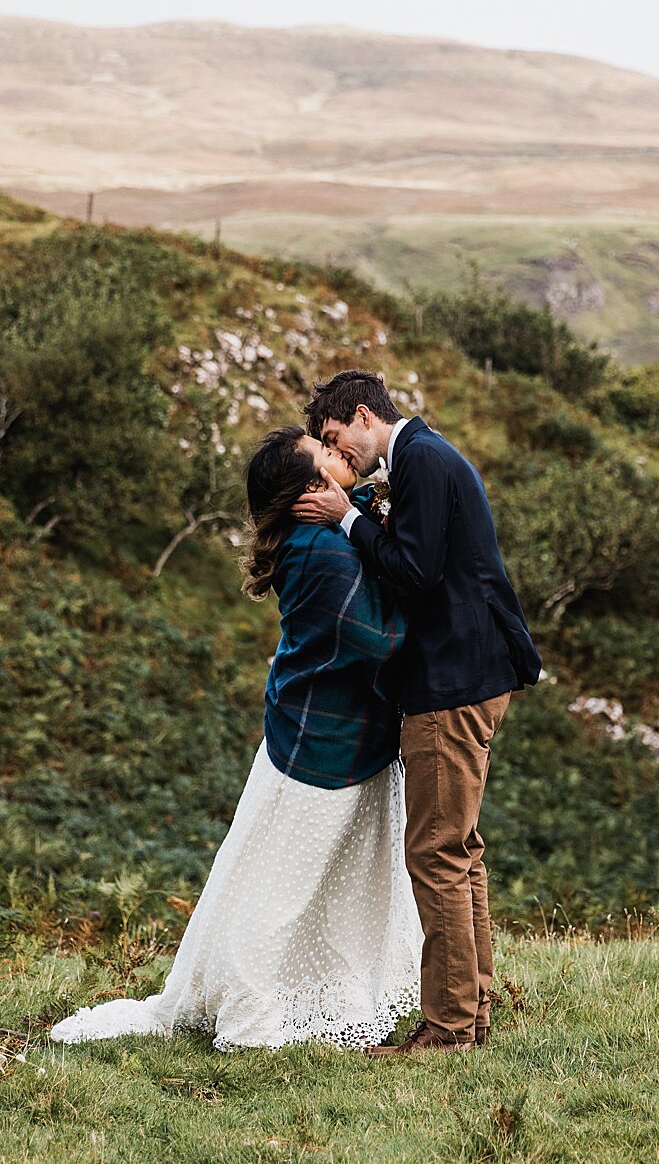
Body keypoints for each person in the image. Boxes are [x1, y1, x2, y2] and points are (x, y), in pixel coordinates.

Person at [50, 427, 421, 1051]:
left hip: (328, 735)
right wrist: (438, 596)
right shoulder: (324, 552)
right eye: (325, 455)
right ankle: (251, 1016)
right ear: (311, 490)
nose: (340, 457)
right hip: (325, 747)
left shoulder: (324, 537)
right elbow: (381, 639)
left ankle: (328, 998)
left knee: (320, 884)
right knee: (283, 891)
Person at [293, 370, 541, 1056]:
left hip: (451, 683)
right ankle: (472, 1011)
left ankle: (450, 1028)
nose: (333, 449)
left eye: (334, 436)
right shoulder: (424, 458)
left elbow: (417, 572)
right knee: (460, 853)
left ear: (364, 415)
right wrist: (370, 514)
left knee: (435, 854)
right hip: (470, 675)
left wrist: (344, 518)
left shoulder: (424, 460)